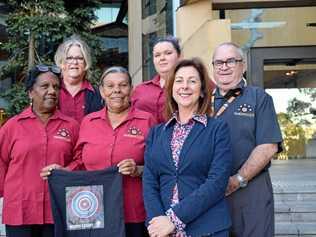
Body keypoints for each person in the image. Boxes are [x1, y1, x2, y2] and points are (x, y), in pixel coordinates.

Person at [143, 58, 233, 237]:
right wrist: (158, 221)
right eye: (179, 81)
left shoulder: (217, 129)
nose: (185, 86)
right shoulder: (156, 133)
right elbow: (150, 181)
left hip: (207, 228)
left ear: (201, 91)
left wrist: (173, 219)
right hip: (161, 230)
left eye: (192, 81)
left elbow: (217, 182)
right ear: (171, 89)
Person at [211, 42, 283, 237]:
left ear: (243, 65)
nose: (224, 66)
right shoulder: (202, 101)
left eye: (230, 61)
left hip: (251, 191)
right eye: (218, 62)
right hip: (211, 194)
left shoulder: (259, 98)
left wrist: (237, 180)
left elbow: (268, 146)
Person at [74, 66, 156, 237]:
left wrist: (137, 169)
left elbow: (160, 166)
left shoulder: (147, 121)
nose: (116, 90)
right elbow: (79, 163)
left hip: (134, 211)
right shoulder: (88, 122)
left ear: (131, 90)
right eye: (110, 86)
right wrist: (60, 172)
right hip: (94, 210)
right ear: (102, 92)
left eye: (123, 85)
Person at [0, 65, 80, 237]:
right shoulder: (12, 127)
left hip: (57, 209)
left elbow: (81, 160)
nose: (52, 91)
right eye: (45, 86)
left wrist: (66, 171)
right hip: (20, 211)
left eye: (56, 87)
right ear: (30, 93)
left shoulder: (72, 126)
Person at [131, 36, 181, 123]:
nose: (162, 58)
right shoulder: (141, 89)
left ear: (179, 56)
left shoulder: (191, 84)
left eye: (168, 53)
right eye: (157, 55)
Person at [54, 35, 103, 122]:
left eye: (80, 58)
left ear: (86, 63)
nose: (74, 62)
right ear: (61, 62)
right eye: (69, 58)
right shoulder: (52, 91)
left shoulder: (98, 94)